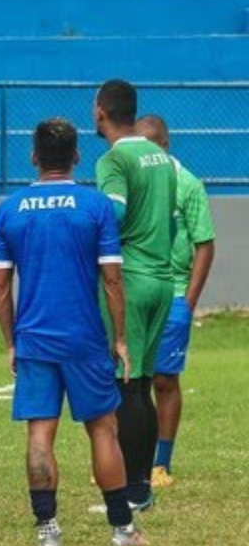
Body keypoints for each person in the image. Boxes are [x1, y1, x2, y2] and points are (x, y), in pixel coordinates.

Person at [0, 117, 148, 546]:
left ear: (34, 157)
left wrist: (10, 341)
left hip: (35, 339)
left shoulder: (8, 210)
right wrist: (119, 337)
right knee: (103, 428)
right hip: (84, 337)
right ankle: (121, 529)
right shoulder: (95, 206)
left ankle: (47, 533)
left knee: (40, 434)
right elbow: (113, 280)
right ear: (78, 156)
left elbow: (1, 287)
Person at [92, 80, 176, 510]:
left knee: (126, 386)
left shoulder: (114, 158)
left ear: (101, 111)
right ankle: (141, 487)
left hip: (133, 279)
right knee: (140, 384)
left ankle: (131, 492)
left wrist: (83, 221)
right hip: (163, 279)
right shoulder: (161, 156)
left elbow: (115, 213)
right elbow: (171, 219)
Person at [133, 115, 215, 487]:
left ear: (165, 146)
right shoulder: (130, 182)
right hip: (135, 295)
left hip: (174, 294)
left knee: (164, 380)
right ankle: (127, 458)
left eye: (152, 146)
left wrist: (189, 301)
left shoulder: (188, 184)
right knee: (128, 379)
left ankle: (161, 463)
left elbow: (204, 245)